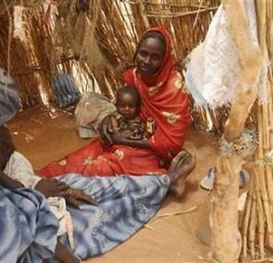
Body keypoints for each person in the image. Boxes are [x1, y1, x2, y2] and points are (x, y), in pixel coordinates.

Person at [0, 50, 194, 262]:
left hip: (18, 196)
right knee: (95, 215)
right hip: (14, 239)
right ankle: (160, 186)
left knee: (81, 185)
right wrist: (36, 196)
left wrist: (34, 188)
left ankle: (163, 183)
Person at [39, 27, 193, 195]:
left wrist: (125, 141)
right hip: (129, 133)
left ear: (164, 59)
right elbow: (126, 108)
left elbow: (172, 143)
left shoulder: (173, 88)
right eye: (143, 53)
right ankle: (39, 180)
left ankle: (167, 179)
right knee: (87, 154)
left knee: (108, 165)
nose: (147, 61)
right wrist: (107, 120)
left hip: (154, 149)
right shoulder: (136, 77)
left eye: (155, 57)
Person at [0, 125, 76, 248]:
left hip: (36, 196)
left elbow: (21, 191)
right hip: (18, 206)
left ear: (6, 149)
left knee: (45, 225)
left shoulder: (17, 161)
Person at [39, 85, 159, 177]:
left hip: (125, 148)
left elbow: (141, 137)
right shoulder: (113, 117)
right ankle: (49, 173)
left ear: (137, 107)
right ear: (116, 105)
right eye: (123, 106)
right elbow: (106, 134)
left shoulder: (139, 121)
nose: (127, 109)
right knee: (79, 157)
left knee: (98, 166)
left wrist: (123, 140)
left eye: (131, 106)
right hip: (109, 144)